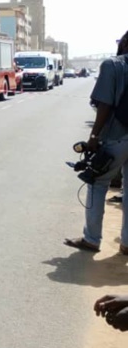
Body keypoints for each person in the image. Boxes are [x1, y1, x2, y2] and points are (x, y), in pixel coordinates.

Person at [64, 30, 128, 253]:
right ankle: (127, 244)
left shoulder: (112, 65)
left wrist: (94, 137)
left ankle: (91, 239)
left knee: (98, 183)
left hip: (117, 137)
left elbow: (104, 105)